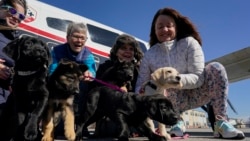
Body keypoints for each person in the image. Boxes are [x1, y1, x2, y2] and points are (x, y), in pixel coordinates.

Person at [135, 7, 245, 139]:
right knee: (161, 85)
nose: (164, 30)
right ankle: (178, 122)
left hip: (197, 93)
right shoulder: (149, 55)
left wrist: (175, 79)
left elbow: (198, 76)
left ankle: (221, 122)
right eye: (159, 27)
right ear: (154, 30)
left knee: (216, 67)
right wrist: (141, 93)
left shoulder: (189, 43)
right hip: (171, 99)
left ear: (176, 27)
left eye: (169, 26)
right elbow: (141, 84)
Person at [48, 22, 96, 137]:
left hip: (77, 91)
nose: (79, 40)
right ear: (68, 37)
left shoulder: (87, 55)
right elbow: (52, 71)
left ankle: (79, 125)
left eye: (82, 38)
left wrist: (90, 74)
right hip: (59, 89)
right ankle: (54, 126)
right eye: (76, 36)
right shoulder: (57, 51)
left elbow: (92, 70)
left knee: (84, 86)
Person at [93, 34, 144, 137]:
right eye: (123, 48)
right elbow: (96, 91)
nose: (128, 51)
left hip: (132, 111)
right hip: (110, 111)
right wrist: (115, 89)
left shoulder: (139, 70)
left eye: (131, 49)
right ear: (116, 51)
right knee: (112, 130)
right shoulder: (105, 67)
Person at [0, 0, 27, 118]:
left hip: (6, 97)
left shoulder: (17, 41)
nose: (16, 17)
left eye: (21, 16)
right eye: (12, 10)